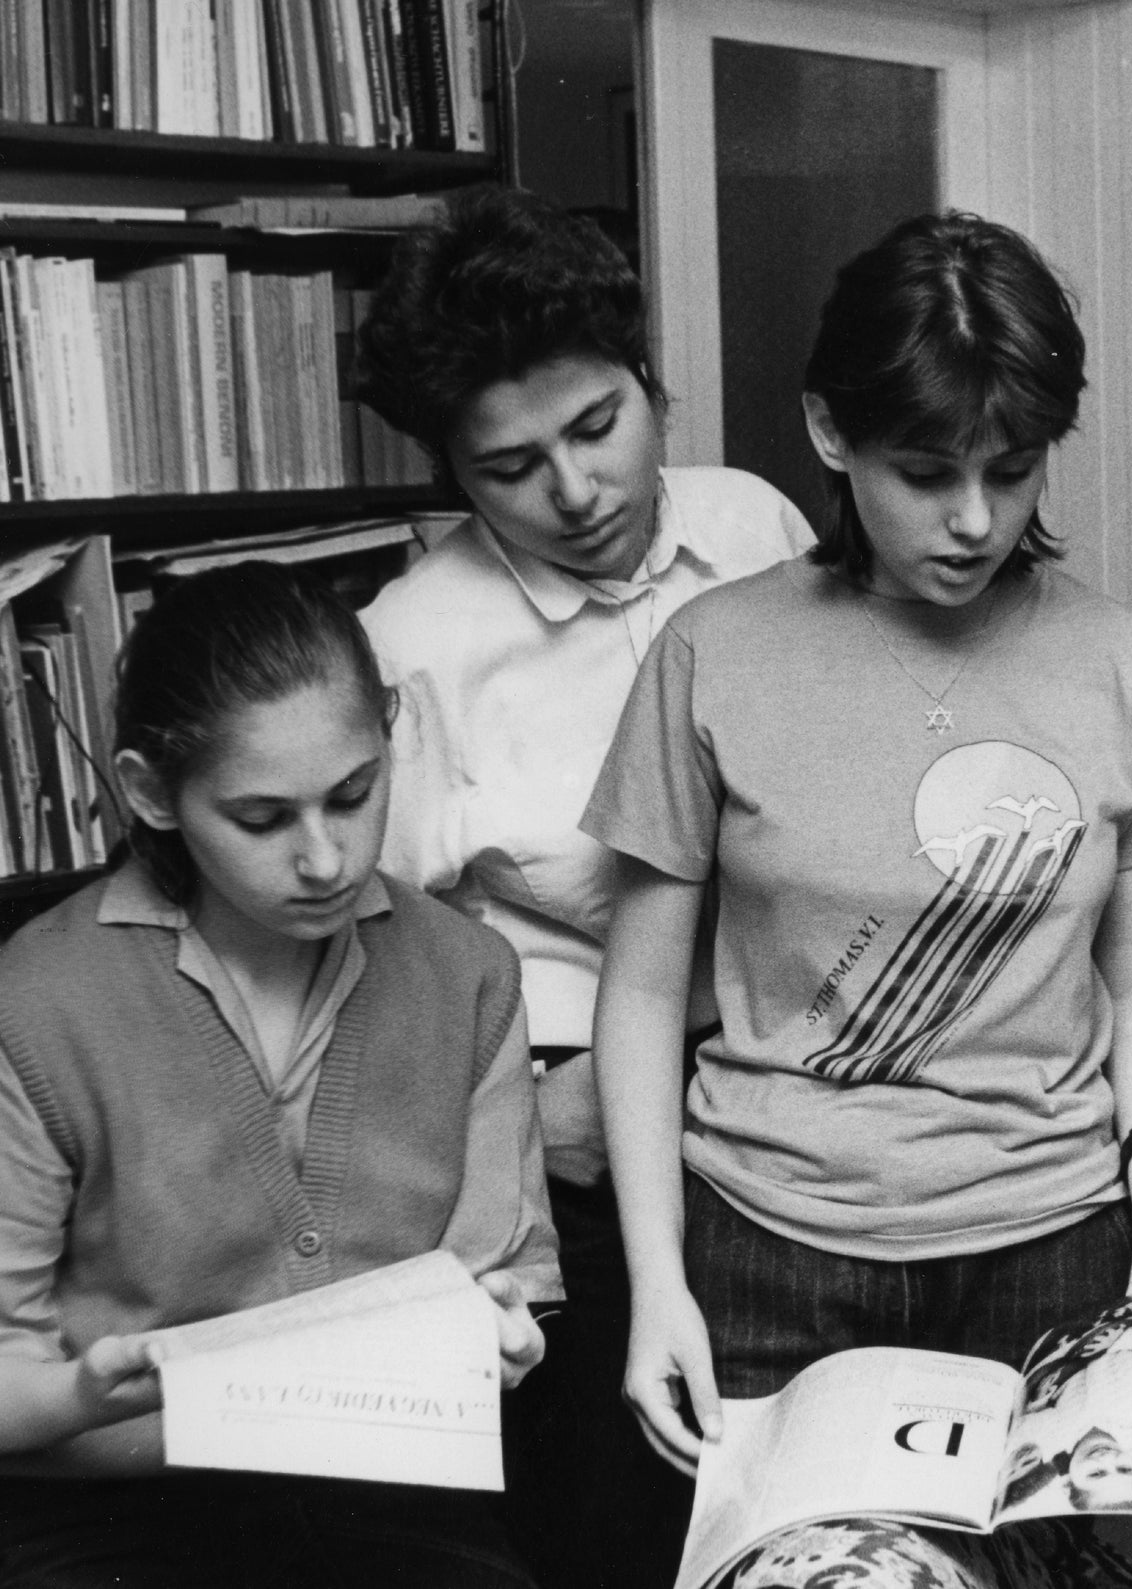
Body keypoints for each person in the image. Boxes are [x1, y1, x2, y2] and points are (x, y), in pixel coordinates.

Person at [583, 211, 1132, 1567]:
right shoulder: (713, 655)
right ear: (831, 432)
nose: (974, 519)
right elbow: (642, 994)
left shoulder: (1129, 664)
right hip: (768, 1248)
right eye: (926, 470)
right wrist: (657, 1283)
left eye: (1012, 472)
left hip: (1056, 1243)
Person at [354, 185, 813, 1589]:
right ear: (454, 476)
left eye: (600, 426)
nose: (575, 491)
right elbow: (372, 956)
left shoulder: (764, 532)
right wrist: (512, 1124)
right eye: (510, 467)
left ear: (650, 380)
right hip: (577, 1142)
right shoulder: (410, 648)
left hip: (802, 1087)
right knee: (629, 1522)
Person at [0, 563, 558, 1587]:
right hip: (103, 1507)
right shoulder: (34, 1000)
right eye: (261, 819)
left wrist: (496, 1339)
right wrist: (88, 1390)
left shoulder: (466, 973)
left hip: (387, 1504)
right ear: (147, 793)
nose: (326, 859)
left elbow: (491, 1288)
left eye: (354, 794)